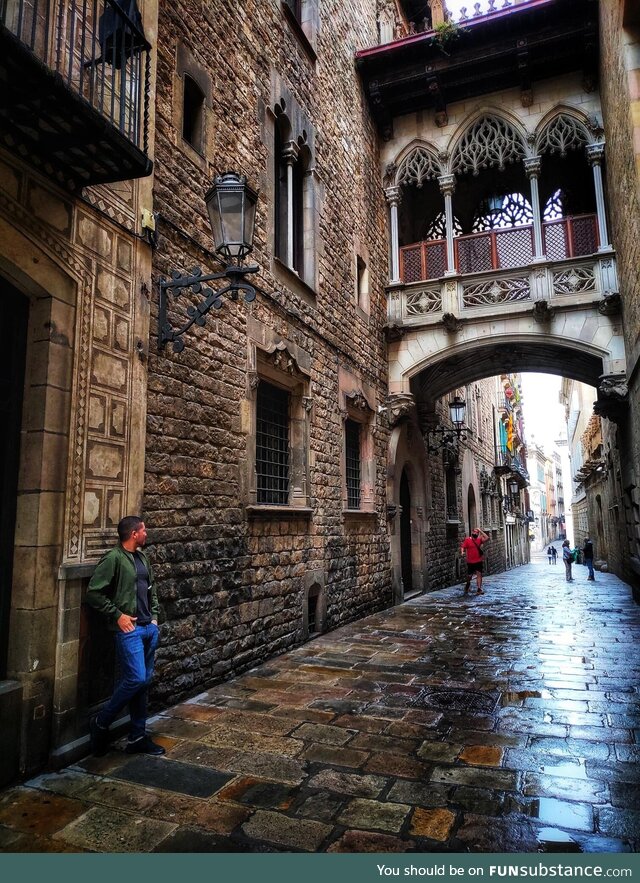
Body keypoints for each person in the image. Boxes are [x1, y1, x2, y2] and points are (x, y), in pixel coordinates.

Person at [85, 515, 165, 757]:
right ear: (133, 534)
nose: (146, 534)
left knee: (143, 684)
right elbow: (94, 593)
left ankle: (137, 737)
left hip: (147, 629)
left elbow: (152, 590)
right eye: (144, 531)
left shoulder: (142, 559)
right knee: (136, 679)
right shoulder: (113, 559)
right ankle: (101, 722)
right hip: (128, 630)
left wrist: (154, 618)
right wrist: (117, 615)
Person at [460, 527, 489, 595]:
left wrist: (480, 531)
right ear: (472, 532)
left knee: (479, 574)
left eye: (477, 532)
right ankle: (468, 583)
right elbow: (463, 547)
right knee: (469, 576)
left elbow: (487, 538)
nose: (475, 533)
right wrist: (462, 552)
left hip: (478, 560)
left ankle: (479, 589)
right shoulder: (467, 540)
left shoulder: (479, 540)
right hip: (470, 561)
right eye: (474, 532)